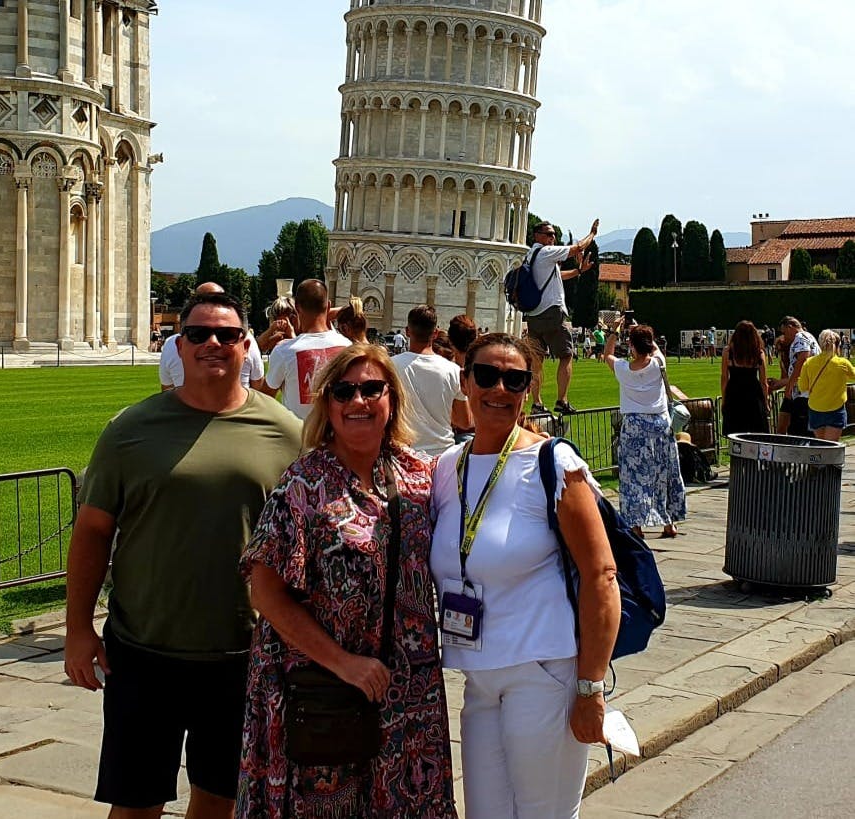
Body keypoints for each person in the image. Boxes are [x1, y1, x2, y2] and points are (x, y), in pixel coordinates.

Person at [65, 292, 302, 819]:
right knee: (134, 802)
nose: (211, 344)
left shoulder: (286, 432)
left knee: (219, 800)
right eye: (198, 334)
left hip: (243, 653)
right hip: (145, 649)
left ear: (247, 345)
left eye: (225, 335)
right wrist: (79, 629)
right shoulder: (130, 431)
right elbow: (92, 533)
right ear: (179, 345)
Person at [238, 344, 457, 818]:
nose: (358, 401)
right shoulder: (304, 484)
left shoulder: (422, 476)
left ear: (392, 399)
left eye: (371, 389)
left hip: (406, 689)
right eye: (344, 391)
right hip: (319, 687)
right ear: (327, 405)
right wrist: (344, 664)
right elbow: (266, 592)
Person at [430, 332, 620, 819]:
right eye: (487, 376)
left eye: (513, 379)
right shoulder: (446, 469)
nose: (499, 389)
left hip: (544, 672)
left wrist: (590, 688)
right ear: (465, 380)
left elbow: (601, 575)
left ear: (528, 387)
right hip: (478, 676)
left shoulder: (552, 463)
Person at [604, 321, 686, 538]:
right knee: (664, 473)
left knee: (633, 478)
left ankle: (635, 524)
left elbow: (607, 355)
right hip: (659, 423)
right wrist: (638, 327)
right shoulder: (659, 363)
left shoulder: (623, 369)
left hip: (634, 426)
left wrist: (613, 331)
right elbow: (657, 350)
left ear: (631, 345)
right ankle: (668, 523)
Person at [523, 220, 599, 414]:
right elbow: (578, 247)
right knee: (566, 355)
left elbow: (559, 275)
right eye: (548, 234)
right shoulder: (547, 252)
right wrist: (592, 233)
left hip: (533, 315)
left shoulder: (531, 255)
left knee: (536, 361)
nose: (553, 238)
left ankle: (537, 404)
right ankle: (561, 400)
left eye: (554, 234)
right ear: (537, 236)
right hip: (551, 312)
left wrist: (579, 271)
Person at [258, 279, 352, 419]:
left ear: (297, 307)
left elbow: (264, 399)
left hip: (299, 436)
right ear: (328, 306)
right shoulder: (348, 347)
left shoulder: (284, 351)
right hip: (338, 436)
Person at [392, 305, 470, 456]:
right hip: (442, 454)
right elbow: (464, 421)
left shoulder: (390, 366)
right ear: (435, 333)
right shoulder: (452, 370)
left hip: (404, 454)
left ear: (407, 331)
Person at [159, 282, 226, 390]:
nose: (213, 342)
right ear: (180, 345)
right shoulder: (171, 343)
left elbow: (167, 389)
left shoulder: (171, 343)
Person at [799, 330, 855, 442]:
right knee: (831, 446)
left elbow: (803, 387)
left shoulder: (808, 363)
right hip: (835, 409)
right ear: (838, 345)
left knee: (822, 445)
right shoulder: (842, 363)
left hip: (815, 409)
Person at [771, 316, 819, 436]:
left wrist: (790, 384)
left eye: (784, 332)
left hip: (803, 394)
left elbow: (803, 357)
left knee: (798, 432)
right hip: (807, 391)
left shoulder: (800, 337)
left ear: (790, 327)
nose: (784, 336)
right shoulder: (809, 336)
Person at [721, 320, 770, 435]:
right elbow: (763, 382)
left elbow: (724, 378)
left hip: (734, 393)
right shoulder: (759, 353)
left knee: (735, 433)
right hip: (753, 393)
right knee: (756, 432)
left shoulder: (728, 352)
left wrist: (724, 399)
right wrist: (766, 402)